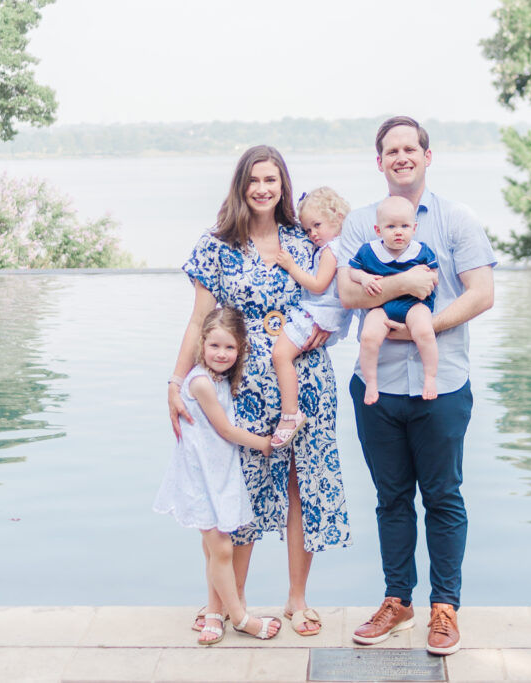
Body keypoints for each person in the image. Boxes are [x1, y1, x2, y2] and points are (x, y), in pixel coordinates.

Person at [169, 146, 351, 639]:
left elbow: (340, 292)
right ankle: (232, 602)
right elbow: (199, 321)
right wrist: (175, 382)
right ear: (241, 185)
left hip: (305, 380)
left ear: (283, 185)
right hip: (243, 386)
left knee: (301, 487)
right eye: (254, 179)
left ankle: (297, 599)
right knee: (238, 489)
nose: (263, 188)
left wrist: (331, 330)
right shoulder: (216, 245)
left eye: (271, 179)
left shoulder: (304, 237)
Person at [335, 116, 496, 656]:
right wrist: (404, 284)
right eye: (391, 150)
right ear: (379, 162)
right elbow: (346, 295)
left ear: (428, 156)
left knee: (444, 496)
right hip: (376, 387)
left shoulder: (456, 219)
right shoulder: (360, 224)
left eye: (411, 148)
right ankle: (397, 601)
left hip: (441, 383)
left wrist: (426, 328)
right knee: (391, 498)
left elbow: (482, 293)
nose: (401, 156)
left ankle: (444, 607)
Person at [153, 307, 282, 644]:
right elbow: (225, 430)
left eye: (229, 347)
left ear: (240, 349)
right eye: (214, 346)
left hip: (216, 475)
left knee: (213, 548)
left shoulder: (220, 378)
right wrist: (265, 444)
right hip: (199, 479)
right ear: (202, 344)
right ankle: (239, 617)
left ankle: (214, 612)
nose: (221, 354)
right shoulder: (201, 383)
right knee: (223, 548)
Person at [270, 187, 353, 448]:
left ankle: (290, 414)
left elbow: (318, 285)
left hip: (317, 313)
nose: (312, 234)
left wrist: (290, 266)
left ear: (337, 217)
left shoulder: (331, 250)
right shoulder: (343, 246)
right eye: (307, 230)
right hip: (325, 314)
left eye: (317, 225)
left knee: (280, 355)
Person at [348, 195, 439, 406]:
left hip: (414, 304)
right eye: (391, 226)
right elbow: (353, 271)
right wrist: (364, 278)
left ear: (414, 228)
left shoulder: (421, 251)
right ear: (378, 230)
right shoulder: (369, 251)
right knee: (368, 337)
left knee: (425, 331)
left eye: (404, 226)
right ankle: (371, 382)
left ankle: (430, 377)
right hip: (382, 305)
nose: (398, 231)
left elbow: (434, 276)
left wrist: (428, 277)